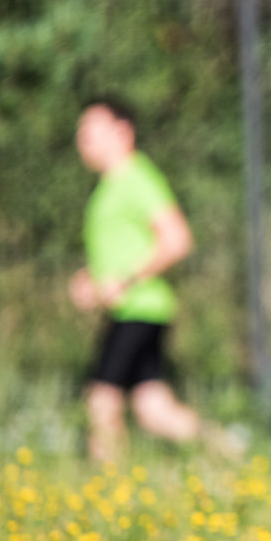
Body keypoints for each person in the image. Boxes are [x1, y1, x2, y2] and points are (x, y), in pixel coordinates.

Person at [68, 97, 221, 462]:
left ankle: (112, 494)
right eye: (80, 132)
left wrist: (124, 281)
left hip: (139, 307)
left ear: (123, 131)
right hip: (133, 308)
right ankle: (232, 456)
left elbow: (177, 239)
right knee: (154, 410)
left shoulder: (137, 178)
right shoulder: (109, 187)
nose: (82, 139)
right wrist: (92, 280)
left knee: (101, 401)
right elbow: (120, 252)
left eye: (91, 129)